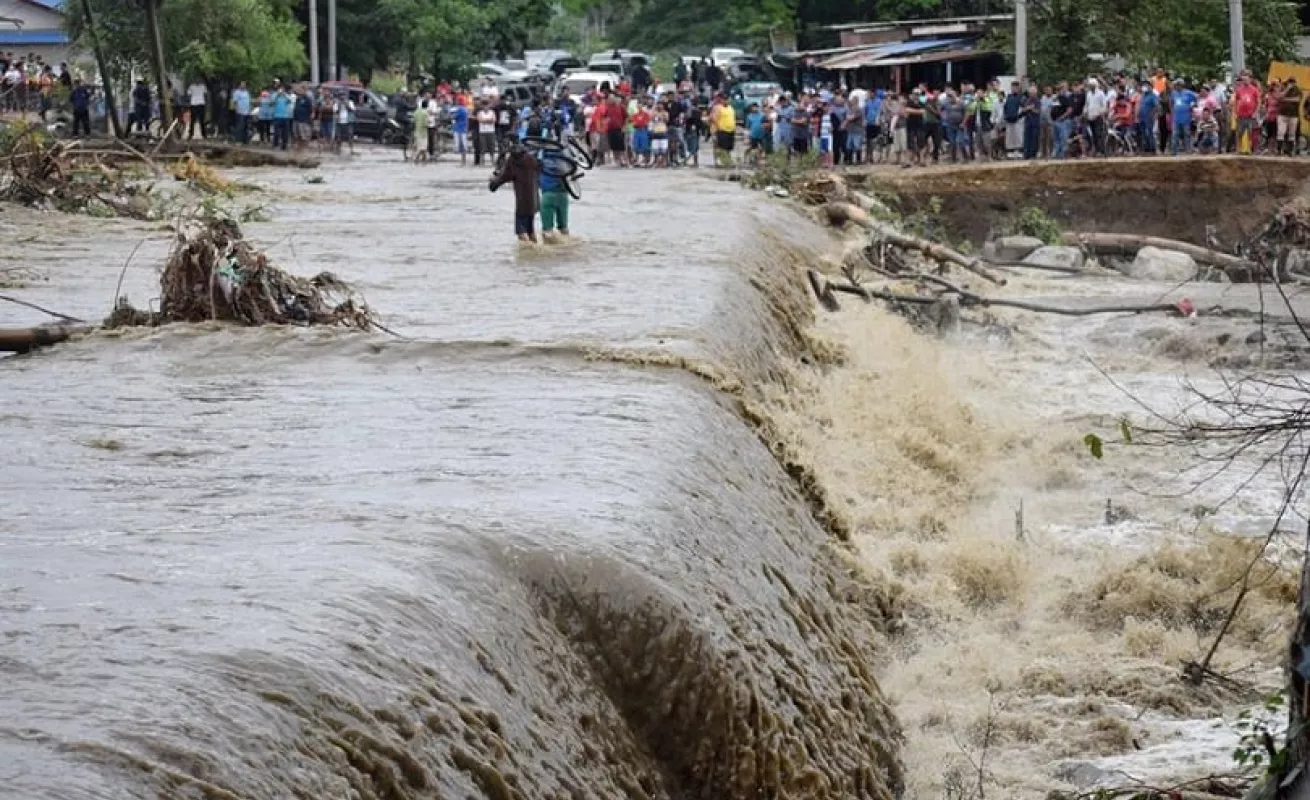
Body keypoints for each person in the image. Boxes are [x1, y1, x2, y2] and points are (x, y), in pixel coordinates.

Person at [488, 143, 541, 243]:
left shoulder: (513, 162)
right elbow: (540, 168)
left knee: (521, 232)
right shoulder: (532, 160)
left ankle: (529, 252)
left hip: (522, 204)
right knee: (530, 230)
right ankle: (535, 251)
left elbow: (503, 177)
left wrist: (492, 184)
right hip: (534, 201)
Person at [537, 147, 571, 241]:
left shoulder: (541, 156)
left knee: (547, 231)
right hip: (563, 195)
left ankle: (550, 254)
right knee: (564, 228)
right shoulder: (564, 155)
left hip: (548, 194)